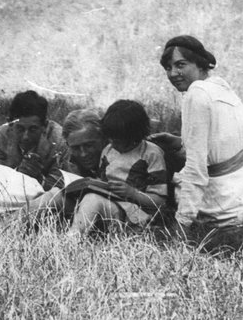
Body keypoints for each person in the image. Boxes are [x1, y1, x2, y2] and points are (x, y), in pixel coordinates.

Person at [160, 35, 243, 229]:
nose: (173, 73)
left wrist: (182, 224)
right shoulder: (218, 85)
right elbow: (221, 140)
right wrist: (178, 142)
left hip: (226, 198)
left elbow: (195, 169)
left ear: (199, 64)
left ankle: (240, 216)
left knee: (172, 182)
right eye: (168, 68)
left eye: (180, 65)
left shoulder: (197, 93)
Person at [65, 100, 169, 236]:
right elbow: (102, 182)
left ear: (135, 136)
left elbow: (160, 201)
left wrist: (133, 193)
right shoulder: (109, 150)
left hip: (138, 215)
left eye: (119, 142)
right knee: (86, 197)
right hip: (112, 207)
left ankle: (73, 237)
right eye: (111, 140)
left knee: (92, 199)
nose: (113, 145)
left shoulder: (151, 154)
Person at [0, 90, 65, 190]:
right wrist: (16, 171)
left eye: (33, 129)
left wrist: (39, 179)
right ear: (10, 124)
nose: (26, 137)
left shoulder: (59, 141)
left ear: (44, 126)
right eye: (20, 129)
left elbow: (62, 187)